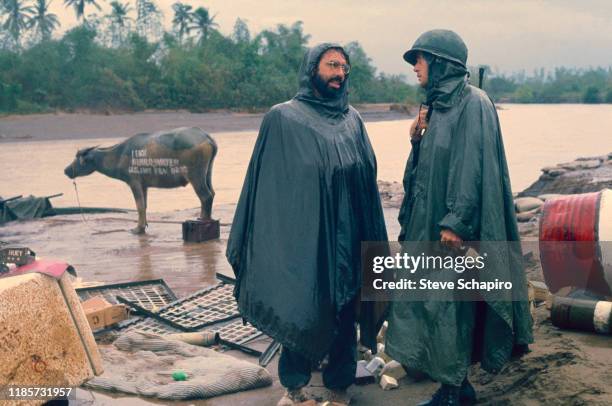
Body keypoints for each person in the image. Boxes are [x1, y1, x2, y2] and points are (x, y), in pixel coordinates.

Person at [226, 43, 388, 406]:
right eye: (332, 65)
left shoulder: (353, 120)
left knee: (345, 311)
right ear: (312, 68)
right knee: (301, 306)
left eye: (345, 67)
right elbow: (264, 186)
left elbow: (367, 177)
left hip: (349, 237)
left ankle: (339, 385)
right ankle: (295, 387)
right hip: (305, 239)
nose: (340, 73)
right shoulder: (283, 119)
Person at [384, 29, 534, 406]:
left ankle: (454, 391)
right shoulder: (435, 106)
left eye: (419, 59)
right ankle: (453, 384)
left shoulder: (473, 102)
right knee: (432, 301)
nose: (415, 67)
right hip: (428, 225)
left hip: (452, 230)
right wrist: (416, 140)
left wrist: (457, 221)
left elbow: (472, 166)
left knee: (451, 304)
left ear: (440, 62)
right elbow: (424, 173)